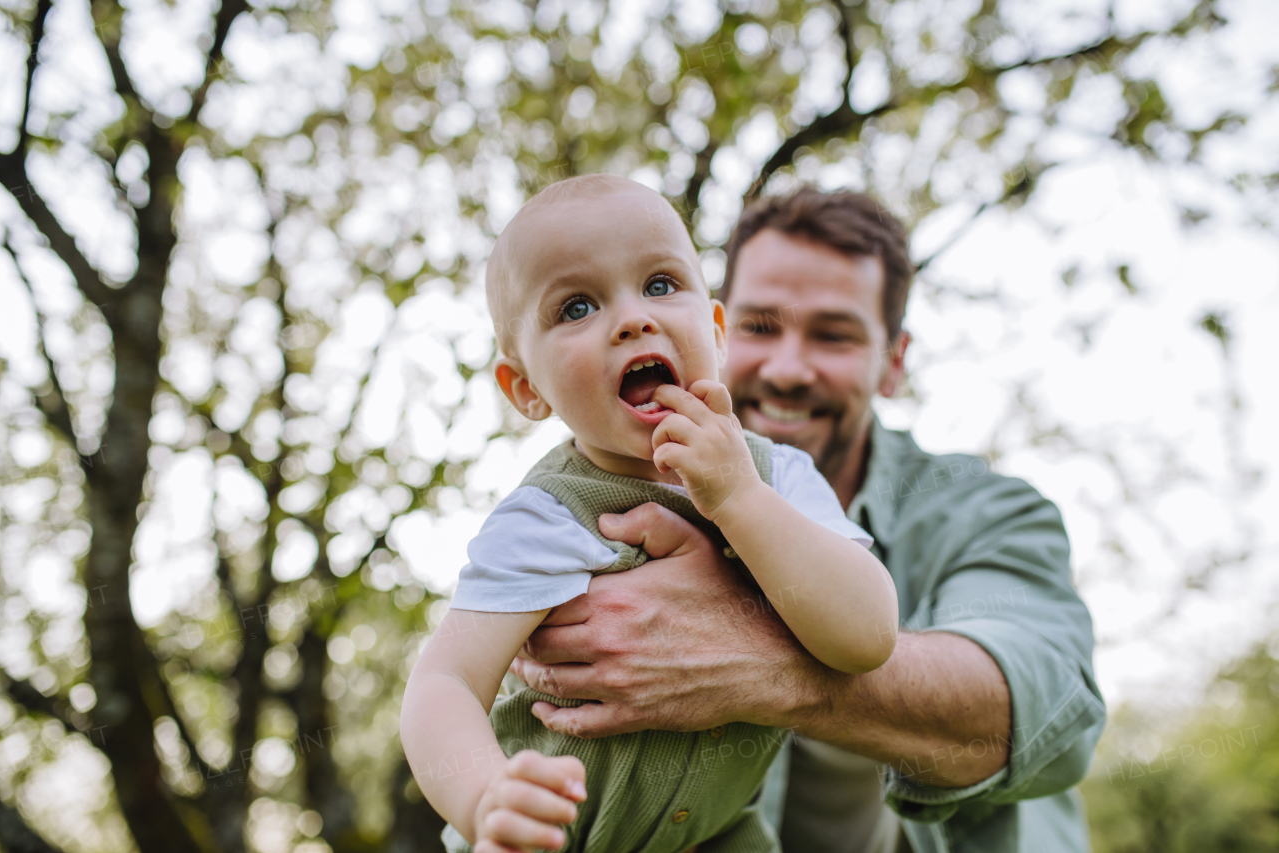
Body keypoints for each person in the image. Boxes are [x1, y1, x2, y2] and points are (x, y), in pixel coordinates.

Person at [510, 187, 1107, 853]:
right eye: (761, 326)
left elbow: (1042, 710)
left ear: (894, 360)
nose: (788, 368)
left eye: (834, 334)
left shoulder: (985, 511)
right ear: (719, 330)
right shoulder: (586, 506)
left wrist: (757, 658)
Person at [399, 175, 900, 853]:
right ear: (526, 389)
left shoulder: (778, 478)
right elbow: (444, 680)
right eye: (576, 307)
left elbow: (866, 633)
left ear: (717, 330)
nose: (633, 318)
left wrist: (740, 499)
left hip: (720, 836)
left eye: (661, 284)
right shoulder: (548, 517)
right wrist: (486, 797)